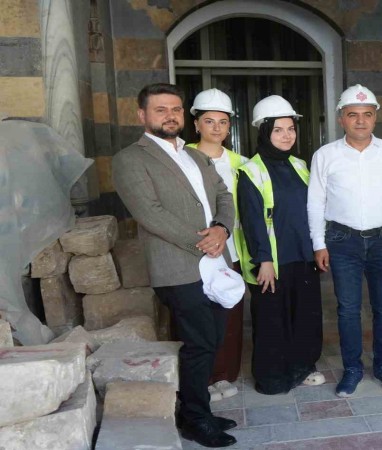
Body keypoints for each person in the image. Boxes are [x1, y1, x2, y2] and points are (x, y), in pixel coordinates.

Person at [112, 83, 237, 448]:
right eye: (161, 109)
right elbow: (150, 212)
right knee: (199, 342)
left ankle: (195, 410)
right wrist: (204, 241)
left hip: (215, 261)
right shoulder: (130, 159)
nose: (170, 116)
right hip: (177, 266)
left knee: (212, 339)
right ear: (142, 115)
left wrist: (222, 229)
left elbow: (224, 195)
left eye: (176, 109)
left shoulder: (196, 155)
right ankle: (195, 419)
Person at [308, 84, 382, 398]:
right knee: (348, 309)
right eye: (353, 115)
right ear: (341, 119)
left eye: (367, 114)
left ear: (375, 117)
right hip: (342, 239)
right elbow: (316, 202)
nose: (360, 121)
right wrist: (318, 243)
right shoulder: (325, 155)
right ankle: (352, 368)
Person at [236, 95, 324, 395]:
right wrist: (263, 260)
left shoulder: (300, 165)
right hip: (272, 260)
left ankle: (303, 367)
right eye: (278, 130)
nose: (287, 136)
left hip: (303, 255)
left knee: (305, 316)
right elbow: (252, 221)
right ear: (264, 132)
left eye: (290, 129)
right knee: (272, 320)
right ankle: (272, 377)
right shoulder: (251, 171)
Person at [187, 88, 248, 402]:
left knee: (228, 315)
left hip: (229, 251)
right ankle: (201, 377)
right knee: (196, 318)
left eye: (223, 122)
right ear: (196, 124)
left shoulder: (241, 163)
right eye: (209, 121)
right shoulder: (179, 157)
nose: (216, 128)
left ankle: (223, 374)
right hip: (191, 251)